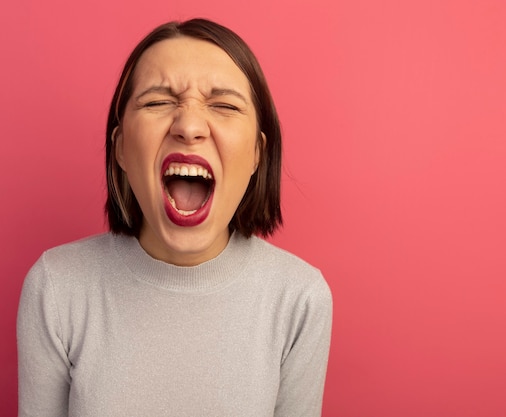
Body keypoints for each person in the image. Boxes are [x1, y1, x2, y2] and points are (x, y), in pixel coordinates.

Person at [17, 18, 332, 417]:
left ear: (257, 153)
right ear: (120, 148)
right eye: (157, 102)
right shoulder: (57, 288)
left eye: (224, 105)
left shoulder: (300, 299)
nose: (188, 126)